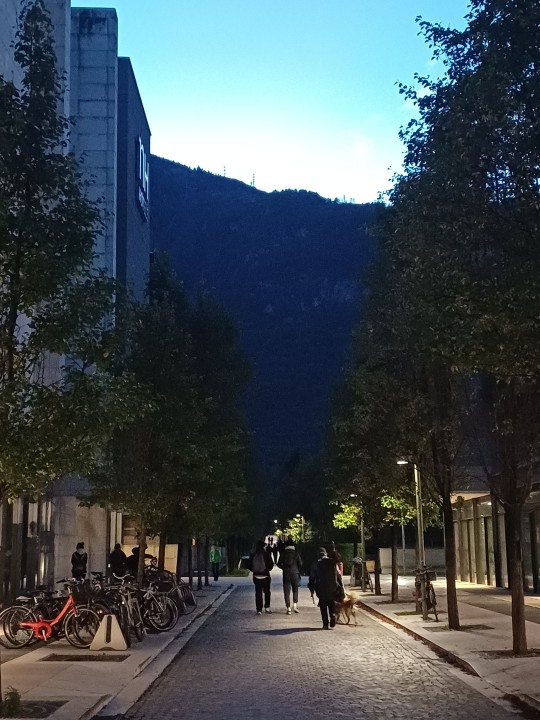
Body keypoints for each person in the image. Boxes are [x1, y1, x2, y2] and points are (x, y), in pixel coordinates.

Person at [308, 546, 344, 630]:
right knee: (331, 602)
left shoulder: (316, 563)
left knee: (323, 605)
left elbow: (312, 577)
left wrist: (311, 589)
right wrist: (340, 587)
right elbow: (338, 576)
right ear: (326, 554)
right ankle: (333, 615)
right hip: (333, 587)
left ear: (318, 554)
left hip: (321, 588)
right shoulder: (332, 562)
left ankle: (325, 624)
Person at [248, 539, 274, 615]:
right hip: (265, 575)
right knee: (267, 592)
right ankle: (267, 607)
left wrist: (254, 570)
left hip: (256, 576)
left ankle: (259, 609)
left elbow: (249, 565)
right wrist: (266, 570)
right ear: (263, 546)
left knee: (258, 593)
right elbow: (271, 564)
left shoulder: (253, 555)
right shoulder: (266, 554)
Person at [277, 537, 302, 614]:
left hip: (286, 573)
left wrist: (283, 568)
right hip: (295, 573)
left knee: (286, 591)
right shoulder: (296, 553)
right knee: (295, 589)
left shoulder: (284, 553)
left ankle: (288, 608)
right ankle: (295, 605)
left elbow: (278, 563)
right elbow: (300, 563)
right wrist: (297, 569)